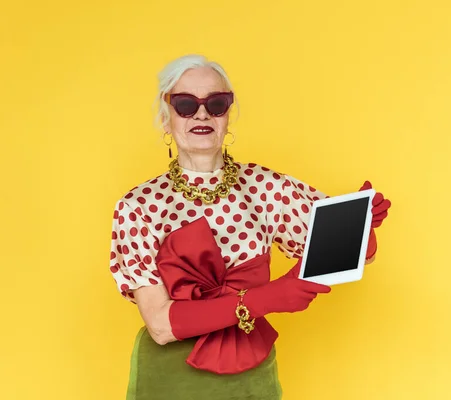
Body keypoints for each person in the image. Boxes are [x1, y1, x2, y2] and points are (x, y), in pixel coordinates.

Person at [109, 54, 391, 400]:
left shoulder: (265, 187)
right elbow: (161, 326)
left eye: (216, 103)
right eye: (185, 104)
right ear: (166, 119)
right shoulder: (138, 205)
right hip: (170, 378)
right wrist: (264, 298)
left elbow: (350, 259)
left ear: (228, 116)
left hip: (251, 375)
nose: (202, 114)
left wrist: (360, 227)